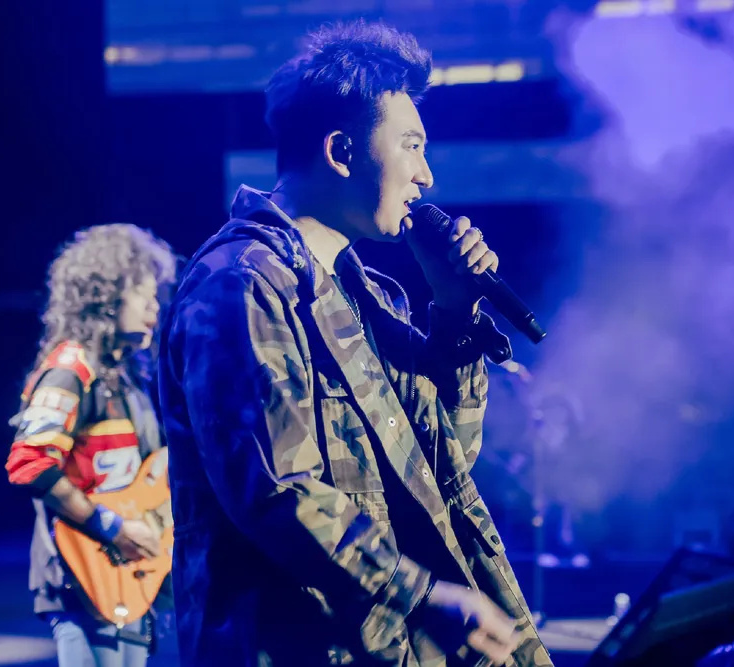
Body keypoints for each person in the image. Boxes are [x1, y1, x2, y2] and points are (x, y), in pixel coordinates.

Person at [159, 20, 551, 666]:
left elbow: (450, 458)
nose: (426, 176)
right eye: (411, 146)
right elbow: (277, 492)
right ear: (341, 151)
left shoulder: (374, 300)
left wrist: (455, 313)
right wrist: (425, 595)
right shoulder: (242, 284)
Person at [6, 224, 176, 667]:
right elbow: (28, 463)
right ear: (106, 295)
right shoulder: (70, 369)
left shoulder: (131, 377)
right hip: (81, 575)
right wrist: (113, 528)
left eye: (155, 295)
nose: (154, 306)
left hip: (128, 575)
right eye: (141, 293)